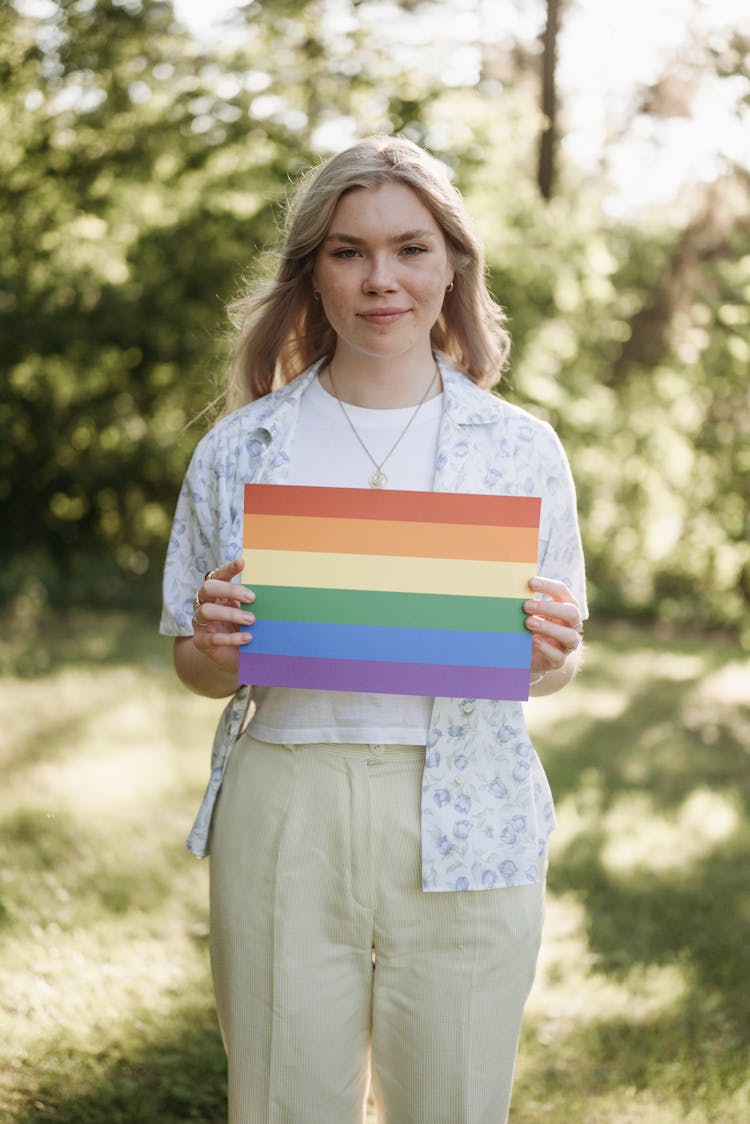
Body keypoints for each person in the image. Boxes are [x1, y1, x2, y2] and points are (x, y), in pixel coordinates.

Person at [160, 134, 587, 1124]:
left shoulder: (521, 449)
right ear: (313, 273)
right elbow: (193, 660)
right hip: (285, 805)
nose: (380, 278)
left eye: (409, 248)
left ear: (452, 265)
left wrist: (548, 654)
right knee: (282, 1101)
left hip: (468, 809)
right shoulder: (243, 447)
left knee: (452, 1101)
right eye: (348, 251)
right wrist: (214, 650)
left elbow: (549, 663)